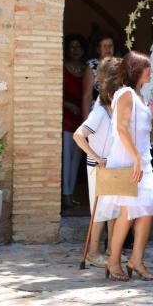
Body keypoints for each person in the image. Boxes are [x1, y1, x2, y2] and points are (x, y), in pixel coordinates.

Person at [95, 51, 153, 281]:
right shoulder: (125, 93)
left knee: (147, 211)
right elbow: (122, 128)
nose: (151, 71)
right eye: (147, 67)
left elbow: (140, 129)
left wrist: (152, 115)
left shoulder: (140, 97)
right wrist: (136, 158)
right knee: (127, 212)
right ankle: (114, 261)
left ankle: (136, 259)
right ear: (136, 70)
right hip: (129, 160)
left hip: (142, 160)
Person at [73, 57, 122, 267]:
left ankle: (112, 251)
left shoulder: (114, 110)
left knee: (114, 210)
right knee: (100, 211)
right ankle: (93, 253)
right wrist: (96, 157)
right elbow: (78, 135)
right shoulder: (99, 112)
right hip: (99, 168)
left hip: (113, 167)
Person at [62, 34, 86, 208]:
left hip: (82, 117)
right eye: (72, 47)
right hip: (66, 117)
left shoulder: (87, 69)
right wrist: (68, 106)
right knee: (66, 158)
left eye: (78, 46)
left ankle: (70, 194)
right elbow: (57, 92)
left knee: (77, 158)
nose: (75, 50)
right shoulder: (62, 68)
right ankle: (65, 195)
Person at [82, 35, 115, 120]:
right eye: (105, 46)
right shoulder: (92, 66)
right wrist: (85, 121)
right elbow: (87, 96)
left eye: (110, 46)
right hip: (97, 114)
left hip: (116, 113)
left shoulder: (119, 64)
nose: (108, 49)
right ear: (98, 49)